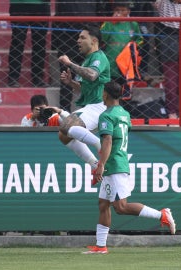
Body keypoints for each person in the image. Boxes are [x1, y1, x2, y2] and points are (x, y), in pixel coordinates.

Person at [83, 81, 176, 254]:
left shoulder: (107, 115)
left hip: (114, 165)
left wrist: (101, 165)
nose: (101, 95)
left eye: (103, 92)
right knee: (103, 204)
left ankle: (162, 215)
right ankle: (101, 246)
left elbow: (108, 140)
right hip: (118, 162)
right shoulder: (125, 113)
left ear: (105, 95)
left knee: (121, 207)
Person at [57, 25, 110, 177]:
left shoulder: (99, 57)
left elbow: (92, 75)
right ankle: (95, 165)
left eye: (82, 37)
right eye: (78, 37)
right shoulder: (88, 60)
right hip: (91, 105)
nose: (78, 40)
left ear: (94, 41)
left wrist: (69, 64)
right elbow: (85, 86)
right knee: (63, 135)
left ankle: (100, 144)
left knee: (67, 126)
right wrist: (71, 83)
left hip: (100, 106)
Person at [53, 1, 106, 111]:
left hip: (87, 41)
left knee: (90, 78)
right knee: (66, 78)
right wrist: (56, 42)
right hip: (67, 40)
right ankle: (64, 113)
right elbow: (58, 16)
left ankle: (90, 111)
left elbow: (101, 12)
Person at [100, 1, 143, 100]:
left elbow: (140, 39)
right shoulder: (108, 23)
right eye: (117, 10)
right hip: (111, 62)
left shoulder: (133, 24)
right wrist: (111, 22)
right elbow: (102, 38)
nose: (119, 12)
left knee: (124, 91)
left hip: (126, 64)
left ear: (128, 11)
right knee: (110, 91)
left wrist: (133, 46)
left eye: (123, 10)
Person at [8, 0, 50, 87]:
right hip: (19, 5)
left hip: (41, 5)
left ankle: (38, 77)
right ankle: (13, 77)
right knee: (17, 41)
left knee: (40, 42)